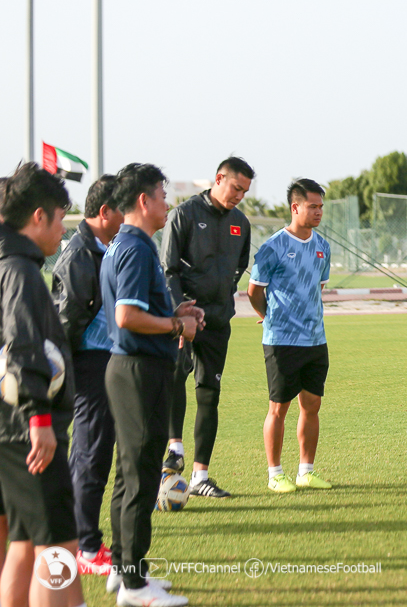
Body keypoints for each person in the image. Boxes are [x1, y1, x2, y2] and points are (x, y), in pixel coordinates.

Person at [101, 163, 200, 606]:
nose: (167, 203)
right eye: (162, 195)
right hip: (139, 371)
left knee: (129, 474)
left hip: (130, 368)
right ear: (144, 201)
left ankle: (124, 570)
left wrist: (175, 312)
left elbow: (134, 310)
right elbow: (126, 316)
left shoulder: (125, 243)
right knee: (140, 477)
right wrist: (178, 327)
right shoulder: (137, 248)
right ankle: (134, 586)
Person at [0, 163, 84, 607]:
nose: (61, 232)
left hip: (10, 430)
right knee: (58, 550)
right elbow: (23, 347)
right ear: (38, 216)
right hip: (26, 431)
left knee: (23, 544)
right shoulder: (19, 270)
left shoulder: (8, 262)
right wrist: (39, 418)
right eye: (59, 219)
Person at [161, 157, 254, 498]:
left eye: (244, 191)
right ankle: (174, 452)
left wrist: (223, 302)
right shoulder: (184, 215)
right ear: (218, 179)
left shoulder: (240, 223)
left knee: (209, 394)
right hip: (184, 318)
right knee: (174, 380)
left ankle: (201, 477)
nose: (239, 196)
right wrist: (178, 314)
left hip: (217, 320)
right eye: (235, 188)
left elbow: (238, 267)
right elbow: (167, 268)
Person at [51, 175, 122, 575]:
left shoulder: (103, 249)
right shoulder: (80, 255)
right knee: (91, 454)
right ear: (105, 211)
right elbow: (65, 323)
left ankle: (84, 540)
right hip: (88, 365)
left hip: (104, 363)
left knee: (94, 454)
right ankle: (85, 546)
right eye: (123, 208)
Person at [247, 179, 333, 494]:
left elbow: (316, 289)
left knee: (312, 404)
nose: (318, 212)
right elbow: (254, 291)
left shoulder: (323, 246)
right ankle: (275, 474)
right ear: (295, 207)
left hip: (315, 339)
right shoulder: (272, 247)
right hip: (281, 340)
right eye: (312, 206)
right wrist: (267, 315)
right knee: (278, 407)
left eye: (321, 206)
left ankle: (306, 471)